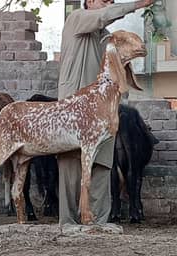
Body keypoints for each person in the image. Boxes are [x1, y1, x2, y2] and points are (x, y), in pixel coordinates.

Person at [57, 0, 154, 226]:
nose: (109, 4)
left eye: (111, 1)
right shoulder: (76, 19)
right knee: (71, 161)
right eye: (105, 0)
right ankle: (69, 223)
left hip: (102, 110)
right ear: (90, 1)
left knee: (102, 162)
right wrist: (138, 4)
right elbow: (104, 16)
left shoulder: (108, 37)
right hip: (73, 106)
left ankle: (99, 222)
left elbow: (119, 64)